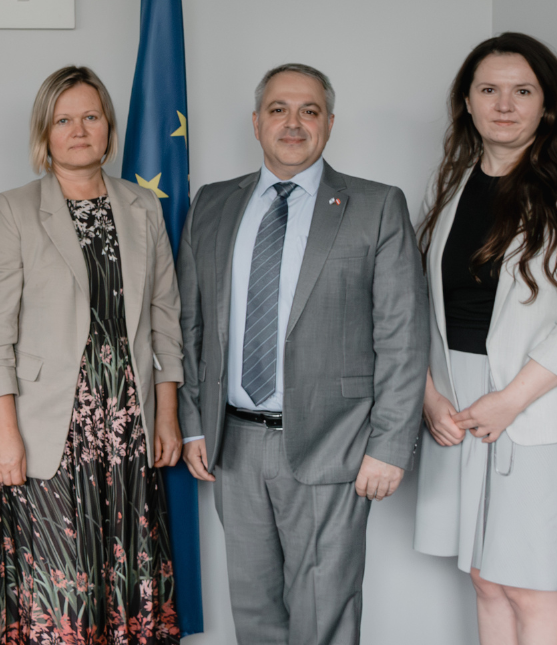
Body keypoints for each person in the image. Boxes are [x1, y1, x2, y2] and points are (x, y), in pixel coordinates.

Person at [177, 63, 428, 645]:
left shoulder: (375, 205)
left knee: (325, 614)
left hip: (332, 444)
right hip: (231, 445)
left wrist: (390, 445)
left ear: (330, 124)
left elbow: (402, 334)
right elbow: (189, 325)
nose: (293, 123)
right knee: (255, 611)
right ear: (257, 123)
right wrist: (194, 427)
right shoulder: (212, 205)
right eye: (279, 110)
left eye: (309, 111)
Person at [413, 33, 557, 645]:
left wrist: (510, 400)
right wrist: (429, 396)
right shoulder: (448, 186)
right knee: (485, 578)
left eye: (522, 90)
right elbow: (420, 307)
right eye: (490, 90)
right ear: (468, 104)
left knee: (532, 583)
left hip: (530, 402)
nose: (505, 105)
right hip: (455, 404)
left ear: (547, 105)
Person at [0, 66, 185, 644]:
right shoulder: (13, 210)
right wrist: (3, 432)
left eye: (91, 117)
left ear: (109, 128)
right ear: (45, 133)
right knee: (58, 600)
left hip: (127, 429)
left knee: (124, 591)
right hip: (46, 429)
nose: (79, 130)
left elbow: (166, 317)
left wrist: (166, 415)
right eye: (64, 119)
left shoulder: (142, 207)